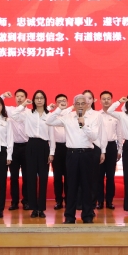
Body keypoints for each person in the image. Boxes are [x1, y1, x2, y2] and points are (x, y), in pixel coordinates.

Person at [46, 94, 100, 224]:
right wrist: (59, 109)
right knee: (71, 186)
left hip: (87, 154)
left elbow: (94, 136)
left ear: (87, 105)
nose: (80, 106)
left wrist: (84, 125)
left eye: (83, 103)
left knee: (87, 185)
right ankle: (69, 216)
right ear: (74, 105)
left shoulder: (94, 117)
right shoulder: (67, 117)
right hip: (72, 154)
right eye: (78, 104)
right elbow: (49, 121)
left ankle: (87, 215)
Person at [11, 89, 53, 218]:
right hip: (30, 145)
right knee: (31, 178)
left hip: (44, 146)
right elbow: (13, 115)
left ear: (45, 100)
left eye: (41, 98)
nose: (39, 100)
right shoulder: (28, 113)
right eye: (37, 98)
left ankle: (41, 208)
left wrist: (51, 152)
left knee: (43, 178)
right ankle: (34, 208)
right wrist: (23, 104)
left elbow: (52, 135)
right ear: (33, 100)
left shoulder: (49, 115)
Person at [2, 90, 30, 211]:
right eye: (17, 96)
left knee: (27, 176)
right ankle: (14, 202)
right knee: (14, 177)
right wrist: (3, 96)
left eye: (22, 96)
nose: (19, 98)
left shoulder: (30, 112)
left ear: (26, 98)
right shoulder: (10, 110)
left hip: (27, 146)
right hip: (12, 147)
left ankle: (26, 200)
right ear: (14, 98)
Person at [96, 90, 121, 210]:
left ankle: (110, 200)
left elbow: (119, 133)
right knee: (99, 176)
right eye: (104, 99)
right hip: (99, 146)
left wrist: (120, 149)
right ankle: (100, 201)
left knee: (110, 176)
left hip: (111, 146)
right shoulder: (97, 115)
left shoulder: (116, 116)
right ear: (100, 101)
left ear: (112, 100)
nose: (106, 101)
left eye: (108, 99)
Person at [49, 94, 69, 210]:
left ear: (67, 102)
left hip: (69, 148)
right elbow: (51, 136)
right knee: (57, 177)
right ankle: (58, 200)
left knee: (69, 176)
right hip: (57, 149)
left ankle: (69, 199)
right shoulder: (53, 116)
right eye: (59, 101)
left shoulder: (72, 115)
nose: (62, 102)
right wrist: (51, 152)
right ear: (56, 104)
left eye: (64, 100)